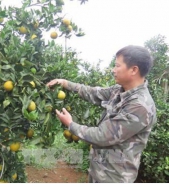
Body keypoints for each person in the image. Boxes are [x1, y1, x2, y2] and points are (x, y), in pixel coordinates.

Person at [46, 45, 157, 183]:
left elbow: (102, 136)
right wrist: (65, 83)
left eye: (117, 66)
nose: (113, 70)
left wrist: (70, 124)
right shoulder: (119, 90)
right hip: (99, 171)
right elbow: (93, 93)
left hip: (114, 177)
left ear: (134, 70)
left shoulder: (140, 106)